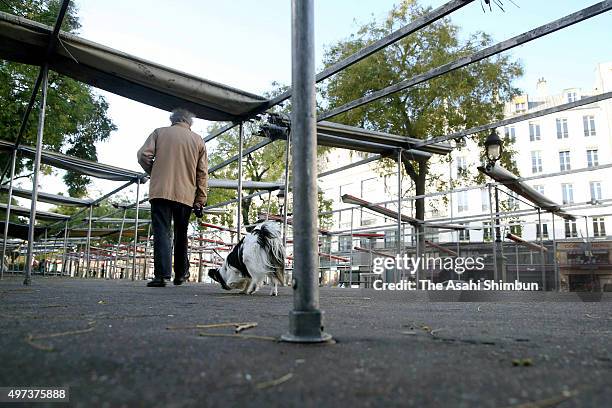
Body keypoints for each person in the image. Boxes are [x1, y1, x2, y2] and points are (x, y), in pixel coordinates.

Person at [137, 108, 208, 287]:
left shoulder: (159, 133)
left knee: (162, 231)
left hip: (160, 191)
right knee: (181, 234)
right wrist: (200, 198)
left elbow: (143, 155)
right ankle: (181, 275)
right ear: (189, 123)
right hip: (185, 194)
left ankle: (161, 276)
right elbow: (202, 173)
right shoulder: (198, 140)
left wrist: (154, 172)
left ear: (172, 120)